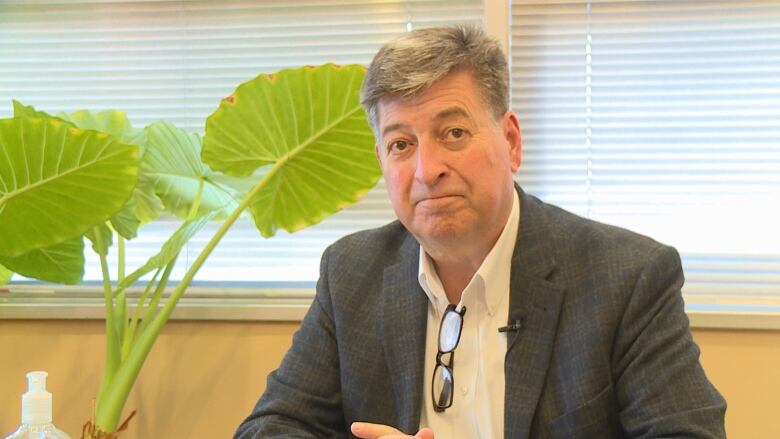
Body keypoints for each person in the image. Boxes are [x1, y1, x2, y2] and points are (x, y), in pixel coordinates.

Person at [234, 25, 726, 439]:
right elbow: (270, 426)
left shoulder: (627, 277)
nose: (427, 170)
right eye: (401, 143)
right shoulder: (351, 271)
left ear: (510, 141)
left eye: (453, 133)